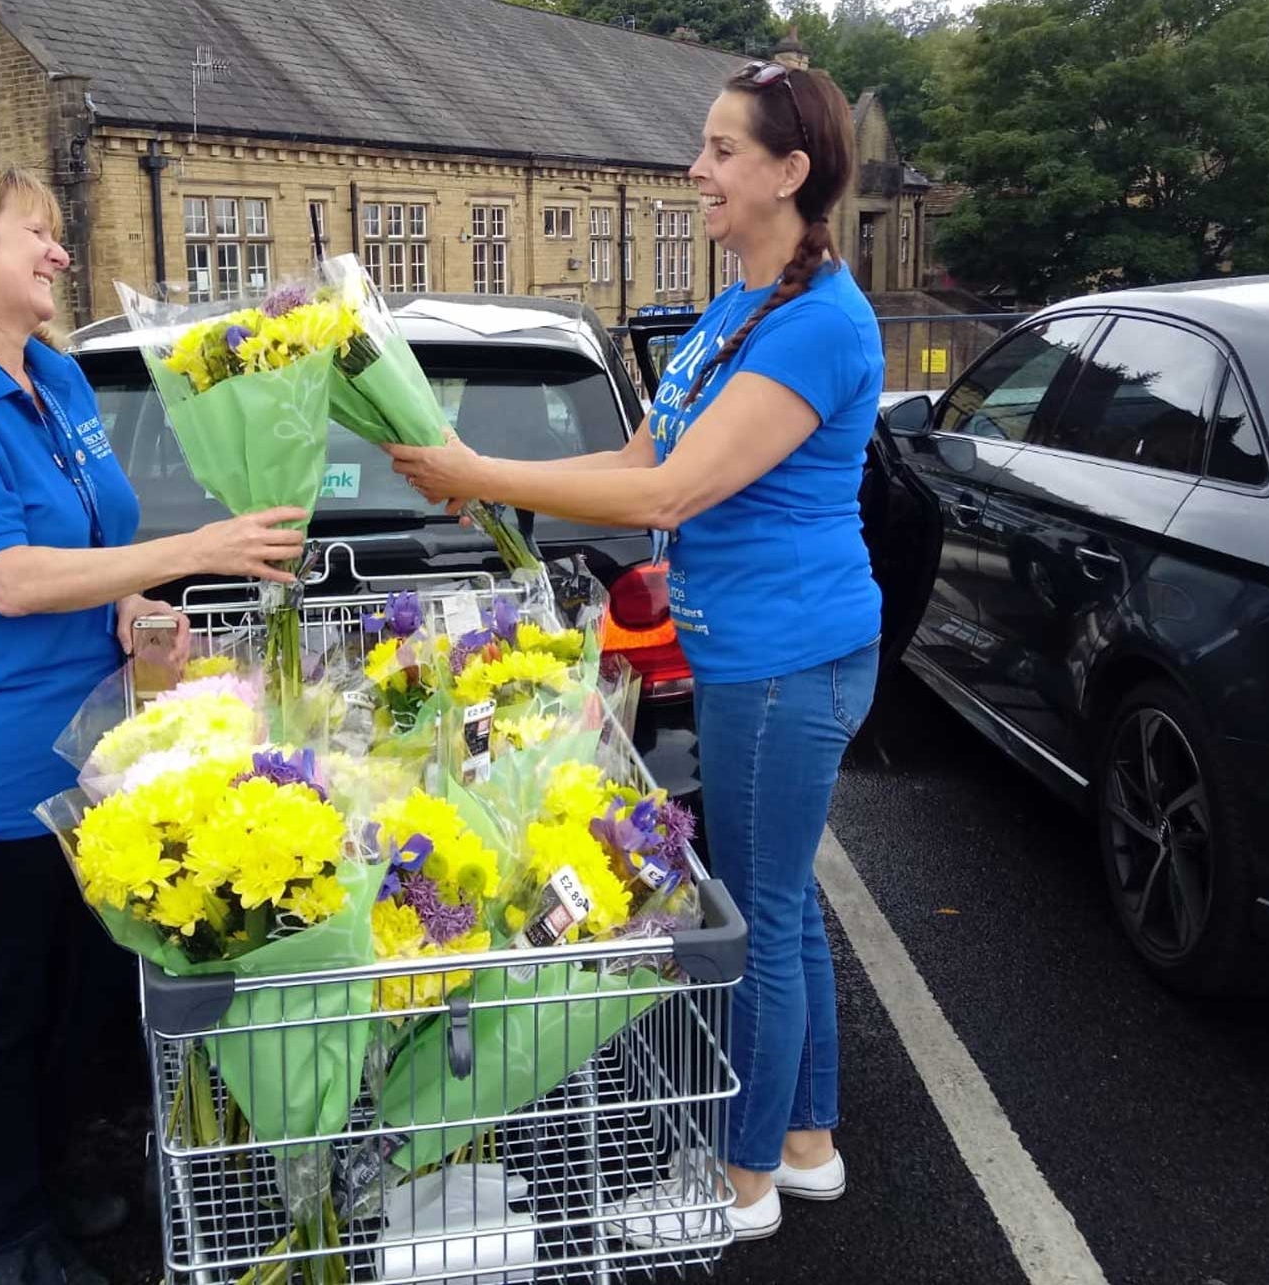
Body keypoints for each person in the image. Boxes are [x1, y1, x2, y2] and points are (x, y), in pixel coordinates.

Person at [388, 62, 883, 1242]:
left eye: (719, 151)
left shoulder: (817, 325)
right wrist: (479, 475)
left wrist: (480, 474)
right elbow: (630, 454)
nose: (695, 170)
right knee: (783, 903)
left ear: (787, 172)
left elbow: (674, 487)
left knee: (754, 913)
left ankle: (740, 1181)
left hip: (784, 658)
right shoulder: (739, 308)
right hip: (750, 652)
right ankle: (803, 1145)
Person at [0, 158, 306, 1285]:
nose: (59, 253)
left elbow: (85, 538)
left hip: (93, 756)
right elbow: (7, 578)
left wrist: (130, 605)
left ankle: (53, 1174)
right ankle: (5, 1236)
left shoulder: (53, 379)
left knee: (82, 994)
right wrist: (196, 552)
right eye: (36, 235)